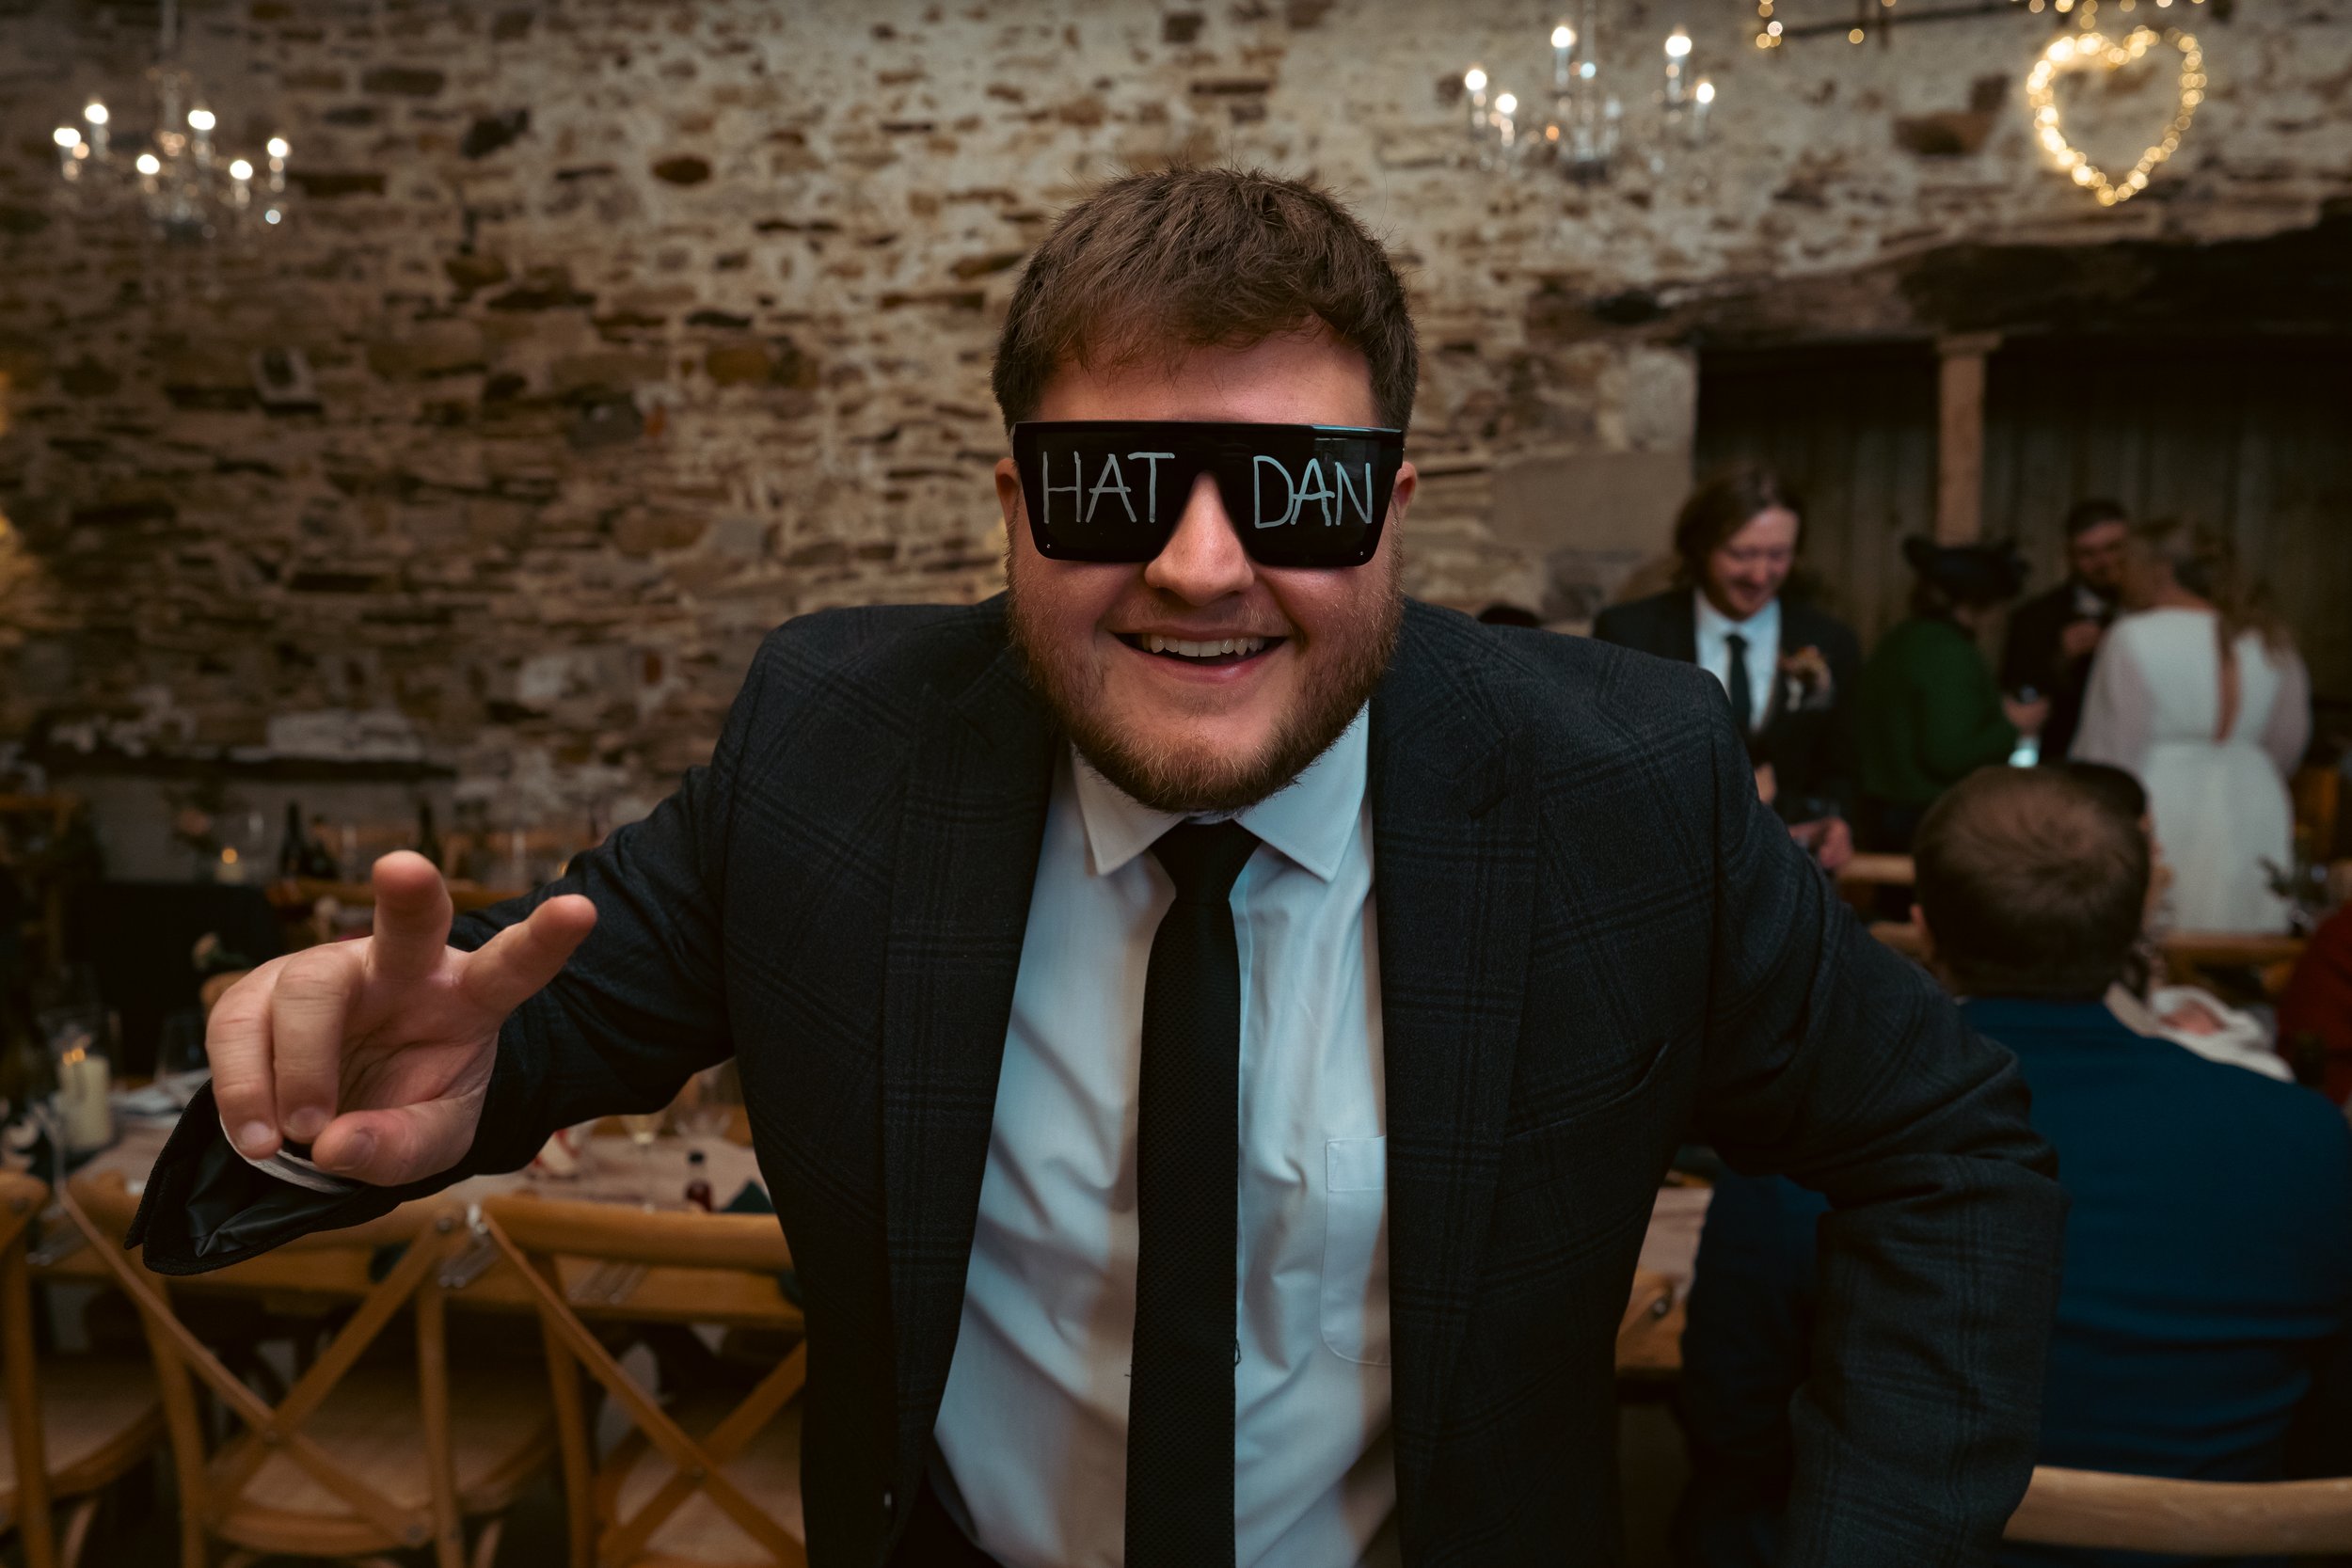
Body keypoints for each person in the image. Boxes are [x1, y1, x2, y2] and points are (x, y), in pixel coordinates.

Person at [130, 169, 2066, 1568]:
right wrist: (343, 1089)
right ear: (1010, 507)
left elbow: (1949, 1146)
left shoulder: (1617, 787)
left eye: (1293, 493)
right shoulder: (834, 748)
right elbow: (515, 1022)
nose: (1200, 566)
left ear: (1392, 514)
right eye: (1110, 486)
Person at [1677, 766, 2352, 1568]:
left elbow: (1732, 1424)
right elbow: (2331, 1430)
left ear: (1924, 929)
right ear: (2135, 928)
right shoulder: (2308, 1138)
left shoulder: (1810, 1144)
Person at [1593, 465, 1862, 872]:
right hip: (1662, 865)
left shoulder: (1829, 641)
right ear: (1701, 547)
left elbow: (1843, 768)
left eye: (1778, 555)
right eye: (1742, 554)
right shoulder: (1631, 633)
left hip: (1786, 867)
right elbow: (1606, 764)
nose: (1760, 575)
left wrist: (1837, 822)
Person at [2072, 520, 2311, 934]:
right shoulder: (2269, 638)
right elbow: (2288, 741)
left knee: (2163, 925)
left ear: (2160, 570)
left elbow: (2109, 750)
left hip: (2160, 793)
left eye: (2129, 563)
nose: (2120, 575)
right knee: (2248, 927)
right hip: (2254, 794)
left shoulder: (2133, 635)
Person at [1857, 537, 2044, 851]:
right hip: (1924, 816)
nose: (2000, 617)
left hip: (1881, 811)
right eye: (1998, 605)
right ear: (1973, 604)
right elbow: (1947, 754)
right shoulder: (1948, 653)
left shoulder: (1900, 638)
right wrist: (2013, 725)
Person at [1999, 499, 2130, 764]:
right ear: (2070, 557)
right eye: (2088, 554)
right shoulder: (2037, 617)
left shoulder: (2157, 612)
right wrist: (2061, 659)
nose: (2104, 562)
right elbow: (2019, 697)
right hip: (2065, 757)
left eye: (2113, 548)